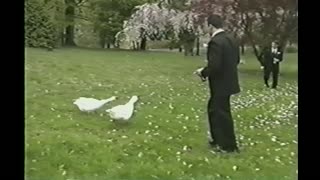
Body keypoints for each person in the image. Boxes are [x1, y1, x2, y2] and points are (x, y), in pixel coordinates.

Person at [194, 14, 240, 153]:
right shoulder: (231, 39)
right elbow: (236, 60)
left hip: (220, 84)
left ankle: (228, 145)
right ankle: (217, 140)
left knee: (220, 113)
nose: (205, 28)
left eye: (206, 26)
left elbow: (215, 65)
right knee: (215, 110)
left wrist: (202, 72)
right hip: (229, 81)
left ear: (210, 26)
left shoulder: (215, 42)